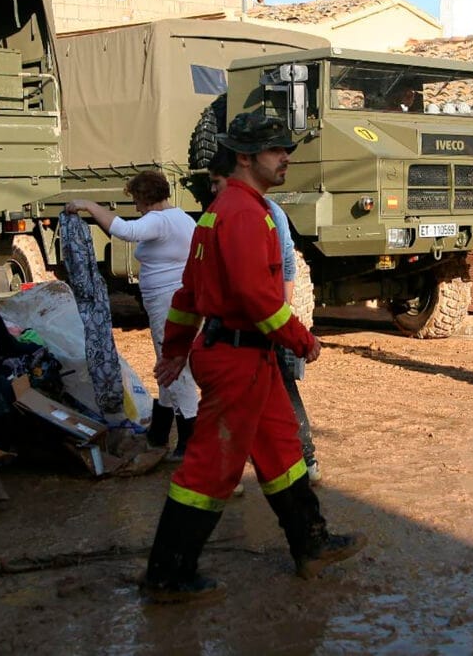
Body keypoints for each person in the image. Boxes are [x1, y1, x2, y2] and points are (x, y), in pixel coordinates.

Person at [141, 111, 364, 604]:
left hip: (244, 356)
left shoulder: (226, 209)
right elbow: (255, 298)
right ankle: (169, 574)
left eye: (286, 149)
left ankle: (311, 544)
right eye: (275, 150)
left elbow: (188, 294)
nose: (285, 158)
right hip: (239, 357)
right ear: (244, 157)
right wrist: (302, 339)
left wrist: (178, 349)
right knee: (211, 467)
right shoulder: (243, 214)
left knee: (283, 451)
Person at [65, 170, 199, 459]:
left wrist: (88, 205)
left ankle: (190, 440)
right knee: (168, 366)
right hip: (175, 300)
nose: (136, 207)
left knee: (176, 368)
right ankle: (159, 433)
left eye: (136, 200)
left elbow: (126, 231)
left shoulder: (158, 220)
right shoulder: (182, 218)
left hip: (167, 303)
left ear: (144, 197)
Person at [208, 154, 321, 486]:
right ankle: (298, 468)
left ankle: (303, 463)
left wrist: (287, 322)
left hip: (248, 332)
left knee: (274, 398)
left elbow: (274, 274)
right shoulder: (224, 214)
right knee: (272, 401)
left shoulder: (254, 213)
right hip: (245, 331)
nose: (214, 190)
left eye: (217, 182)